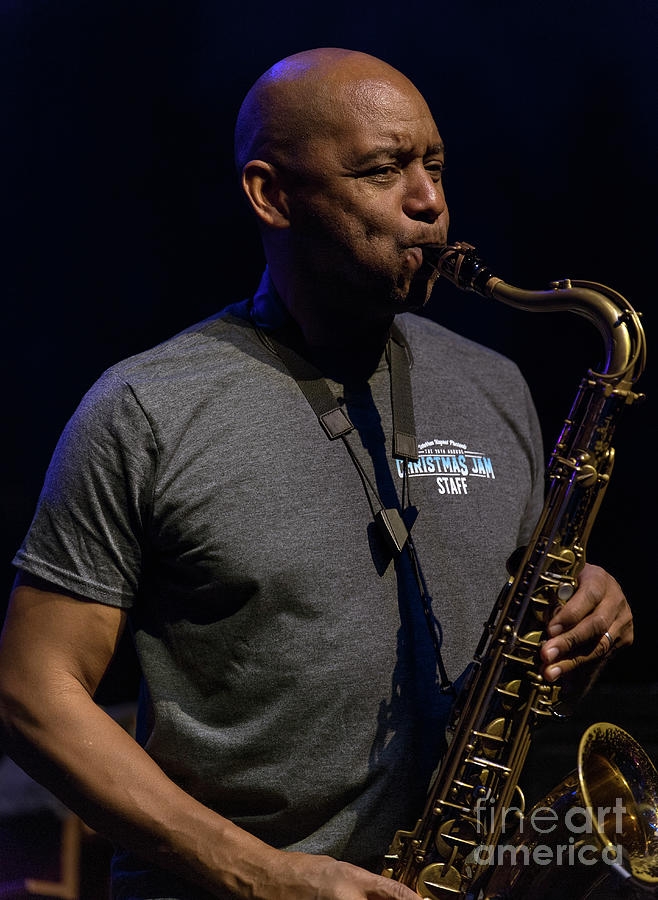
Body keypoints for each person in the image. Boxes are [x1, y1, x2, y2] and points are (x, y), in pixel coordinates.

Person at [0, 48, 632, 900]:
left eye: (434, 165)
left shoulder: (493, 382)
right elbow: (33, 692)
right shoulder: (145, 407)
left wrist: (585, 602)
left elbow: (519, 601)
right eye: (383, 170)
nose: (430, 203)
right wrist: (259, 873)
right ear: (271, 194)